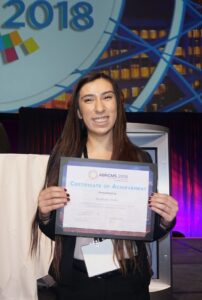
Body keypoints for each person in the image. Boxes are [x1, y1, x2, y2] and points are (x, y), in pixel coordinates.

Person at [31, 72, 178, 300]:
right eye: (89, 100)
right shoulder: (64, 159)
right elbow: (54, 231)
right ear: (79, 112)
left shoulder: (140, 160)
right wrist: (45, 214)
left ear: (118, 105)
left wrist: (166, 220)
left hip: (129, 280)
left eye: (107, 97)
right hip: (77, 283)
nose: (99, 108)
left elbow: (148, 231)